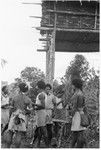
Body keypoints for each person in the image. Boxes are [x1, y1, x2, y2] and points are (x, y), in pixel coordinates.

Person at [6, 82, 32, 148]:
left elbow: (11, 109)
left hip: (14, 115)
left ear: (19, 89)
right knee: (19, 133)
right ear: (26, 90)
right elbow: (30, 110)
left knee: (10, 132)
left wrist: (9, 118)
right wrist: (25, 111)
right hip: (22, 117)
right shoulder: (28, 99)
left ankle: (7, 147)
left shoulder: (14, 98)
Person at [70, 78, 87, 148]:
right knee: (78, 132)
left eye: (72, 84)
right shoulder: (81, 93)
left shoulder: (77, 94)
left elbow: (75, 107)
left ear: (75, 85)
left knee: (78, 133)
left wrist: (71, 116)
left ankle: (78, 147)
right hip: (81, 113)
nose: (71, 86)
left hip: (77, 114)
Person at [31, 80, 48, 148]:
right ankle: (37, 143)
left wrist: (34, 104)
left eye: (37, 85)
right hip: (40, 113)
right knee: (39, 129)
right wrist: (35, 107)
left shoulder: (41, 94)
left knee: (43, 129)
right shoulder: (43, 94)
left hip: (41, 113)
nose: (36, 87)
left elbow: (43, 106)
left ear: (39, 86)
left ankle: (47, 145)